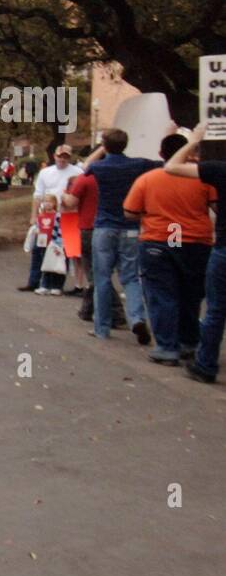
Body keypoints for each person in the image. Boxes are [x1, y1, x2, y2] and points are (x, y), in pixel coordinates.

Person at [123, 133, 216, 366]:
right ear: (190, 153)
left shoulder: (148, 179)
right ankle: (189, 342)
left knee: (162, 294)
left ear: (161, 154)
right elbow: (215, 205)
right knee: (191, 294)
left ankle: (166, 346)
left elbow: (130, 211)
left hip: (160, 240)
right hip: (195, 241)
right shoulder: (203, 178)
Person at [82, 129, 161, 343]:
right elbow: (163, 164)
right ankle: (136, 318)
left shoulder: (100, 167)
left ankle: (102, 327)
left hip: (105, 226)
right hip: (130, 225)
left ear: (105, 146)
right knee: (130, 277)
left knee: (102, 278)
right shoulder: (138, 164)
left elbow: (85, 166)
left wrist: (100, 149)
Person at [165, 123, 226, 383]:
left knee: (214, 309)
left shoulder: (219, 171)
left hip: (179, 237)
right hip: (196, 238)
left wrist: (193, 139)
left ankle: (204, 362)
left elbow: (172, 166)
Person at [62, 167, 124, 328]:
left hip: (90, 228)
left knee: (96, 274)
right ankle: (88, 309)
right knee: (110, 273)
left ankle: (116, 313)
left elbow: (70, 203)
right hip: (118, 229)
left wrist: (64, 195)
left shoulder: (86, 179)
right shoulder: (119, 177)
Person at [18, 144, 82, 292]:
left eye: (66, 156)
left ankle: (57, 284)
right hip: (47, 215)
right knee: (39, 249)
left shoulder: (77, 172)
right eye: (60, 156)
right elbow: (38, 195)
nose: (62, 159)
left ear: (70, 157)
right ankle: (35, 281)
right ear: (54, 156)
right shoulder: (46, 172)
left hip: (69, 216)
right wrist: (34, 216)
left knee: (63, 250)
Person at [32, 195, 66, 295]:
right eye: (45, 201)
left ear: (55, 203)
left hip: (55, 244)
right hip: (43, 244)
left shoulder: (57, 216)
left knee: (56, 265)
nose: (47, 203)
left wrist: (59, 242)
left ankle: (57, 286)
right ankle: (45, 285)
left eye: (50, 201)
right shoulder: (41, 215)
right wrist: (36, 231)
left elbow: (60, 229)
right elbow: (37, 226)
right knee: (46, 265)